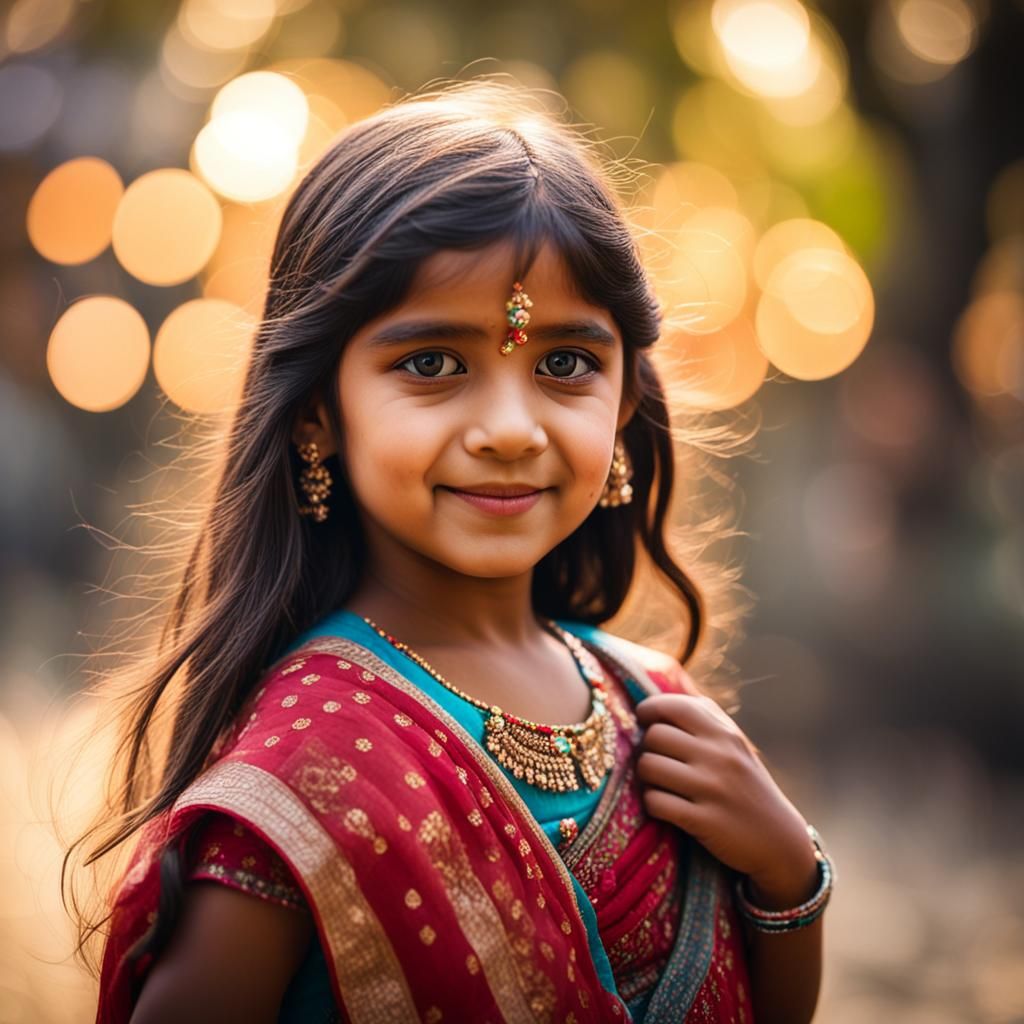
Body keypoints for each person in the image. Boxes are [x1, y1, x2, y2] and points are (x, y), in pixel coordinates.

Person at [69, 79, 833, 1023]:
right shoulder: (310, 773)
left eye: (565, 363)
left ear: (625, 402)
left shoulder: (659, 711)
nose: (510, 429)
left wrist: (787, 874)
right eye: (432, 364)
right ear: (319, 413)